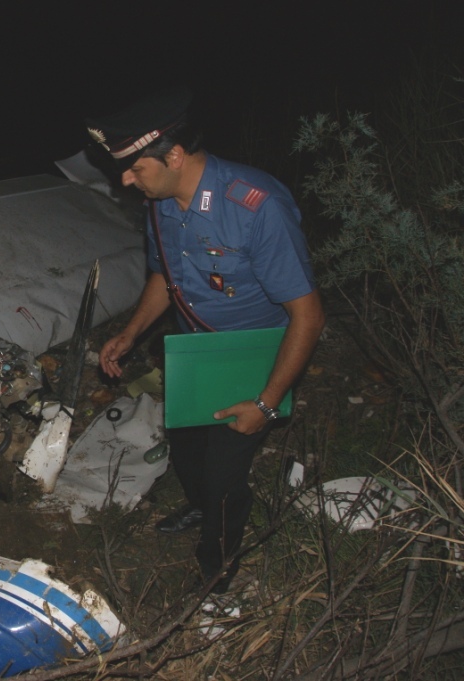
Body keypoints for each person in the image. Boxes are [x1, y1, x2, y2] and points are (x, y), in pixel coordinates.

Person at [86, 87, 325, 594]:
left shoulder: (256, 207)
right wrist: (131, 332)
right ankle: (201, 507)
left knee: (222, 478)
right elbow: (165, 276)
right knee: (188, 451)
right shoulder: (161, 202)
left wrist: (267, 402)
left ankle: (217, 567)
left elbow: (307, 316)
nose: (125, 180)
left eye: (135, 168)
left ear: (174, 155)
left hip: (251, 360)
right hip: (195, 350)